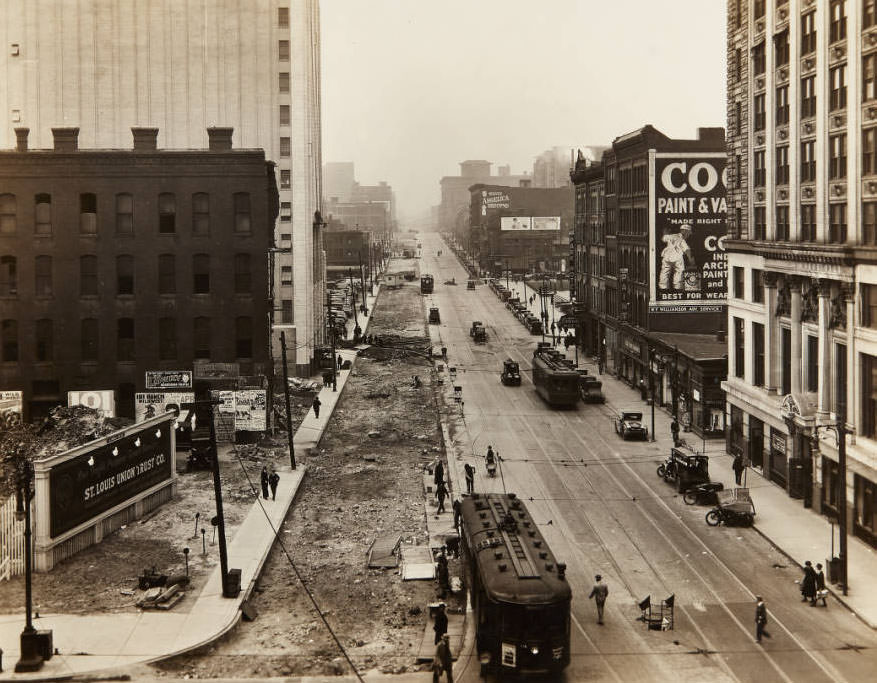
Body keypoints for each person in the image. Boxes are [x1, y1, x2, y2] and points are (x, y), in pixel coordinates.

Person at [659, 223, 693, 291]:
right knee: (679, 272)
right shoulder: (681, 239)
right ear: (685, 231)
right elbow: (687, 250)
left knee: (664, 272)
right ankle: (677, 288)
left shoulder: (671, 236)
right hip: (677, 258)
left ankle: (663, 288)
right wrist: (690, 259)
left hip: (666, 257)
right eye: (688, 233)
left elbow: (664, 238)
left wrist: (665, 232)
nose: (688, 235)